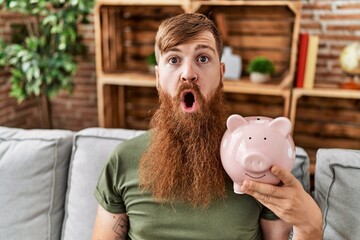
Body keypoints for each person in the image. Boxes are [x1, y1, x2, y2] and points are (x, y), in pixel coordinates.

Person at [92, 13, 322, 240]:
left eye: (202, 58)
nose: (188, 74)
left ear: (221, 74)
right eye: (174, 60)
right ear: (157, 76)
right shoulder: (122, 160)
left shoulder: (263, 163)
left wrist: (309, 226)